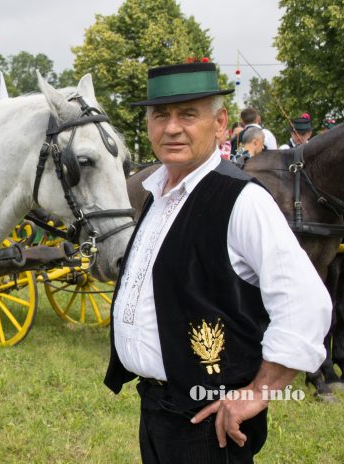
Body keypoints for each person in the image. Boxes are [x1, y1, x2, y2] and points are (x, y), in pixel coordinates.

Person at [104, 61, 331, 464]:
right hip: (157, 409)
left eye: (188, 114)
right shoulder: (158, 195)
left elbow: (306, 303)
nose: (172, 128)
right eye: (161, 116)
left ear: (221, 123)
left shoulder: (243, 200)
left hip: (210, 422)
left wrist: (258, 393)